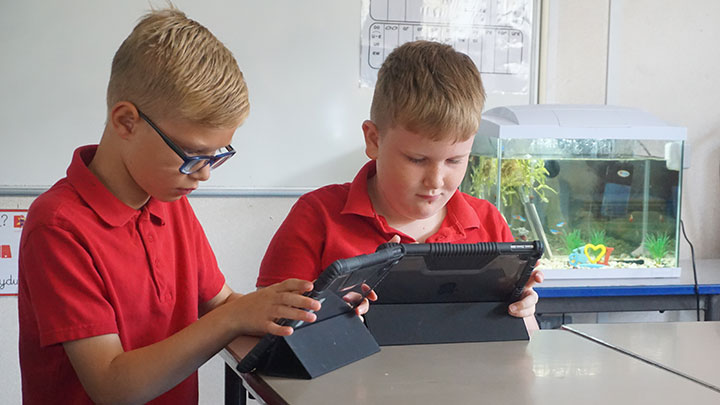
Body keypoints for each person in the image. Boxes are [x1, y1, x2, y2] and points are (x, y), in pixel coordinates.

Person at [17, 8, 320, 405]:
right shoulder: (58, 226)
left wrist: (308, 310)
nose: (205, 174)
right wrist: (230, 319)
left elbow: (225, 302)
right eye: (193, 154)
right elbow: (112, 386)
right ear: (126, 122)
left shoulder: (167, 201)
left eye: (216, 156)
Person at [257, 40, 543, 329]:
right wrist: (331, 312)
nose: (436, 181)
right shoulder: (317, 217)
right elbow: (269, 330)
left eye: (455, 161)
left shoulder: (488, 223)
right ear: (374, 140)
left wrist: (523, 312)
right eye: (417, 160)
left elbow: (523, 347)